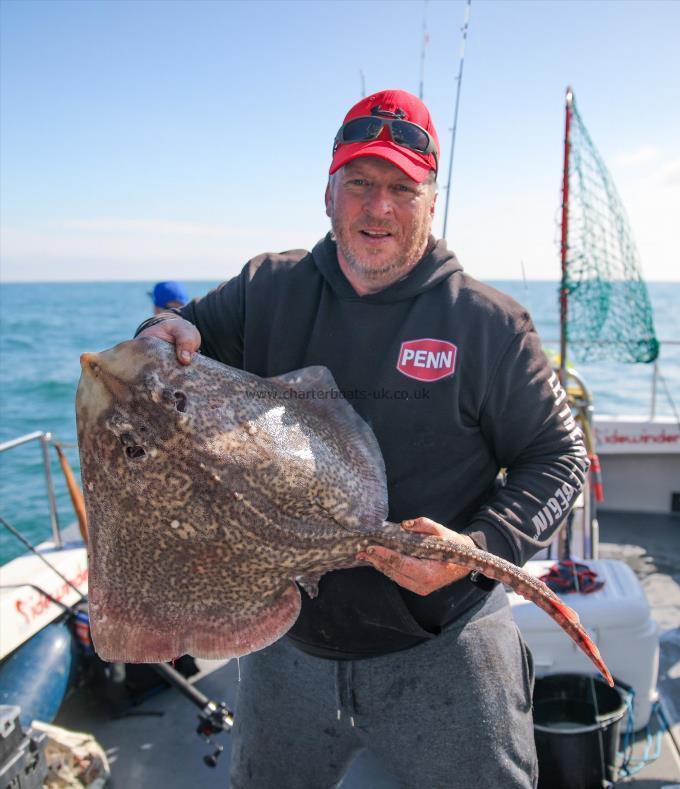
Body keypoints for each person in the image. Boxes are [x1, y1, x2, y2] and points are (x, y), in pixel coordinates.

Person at [135, 89, 589, 788]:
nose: (378, 208)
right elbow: (175, 343)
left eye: (401, 188)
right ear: (328, 193)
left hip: (442, 640)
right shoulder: (266, 289)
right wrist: (157, 340)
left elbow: (561, 460)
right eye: (360, 184)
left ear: (431, 200)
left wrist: (481, 549)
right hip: (288, 640)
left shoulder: (489, 326)